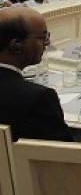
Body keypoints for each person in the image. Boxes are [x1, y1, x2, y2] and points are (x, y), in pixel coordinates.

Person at [0, 8, 74, 142]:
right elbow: (65, 156)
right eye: (42, 37)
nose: (47, 43)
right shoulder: (37, 98)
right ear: (16, 45)